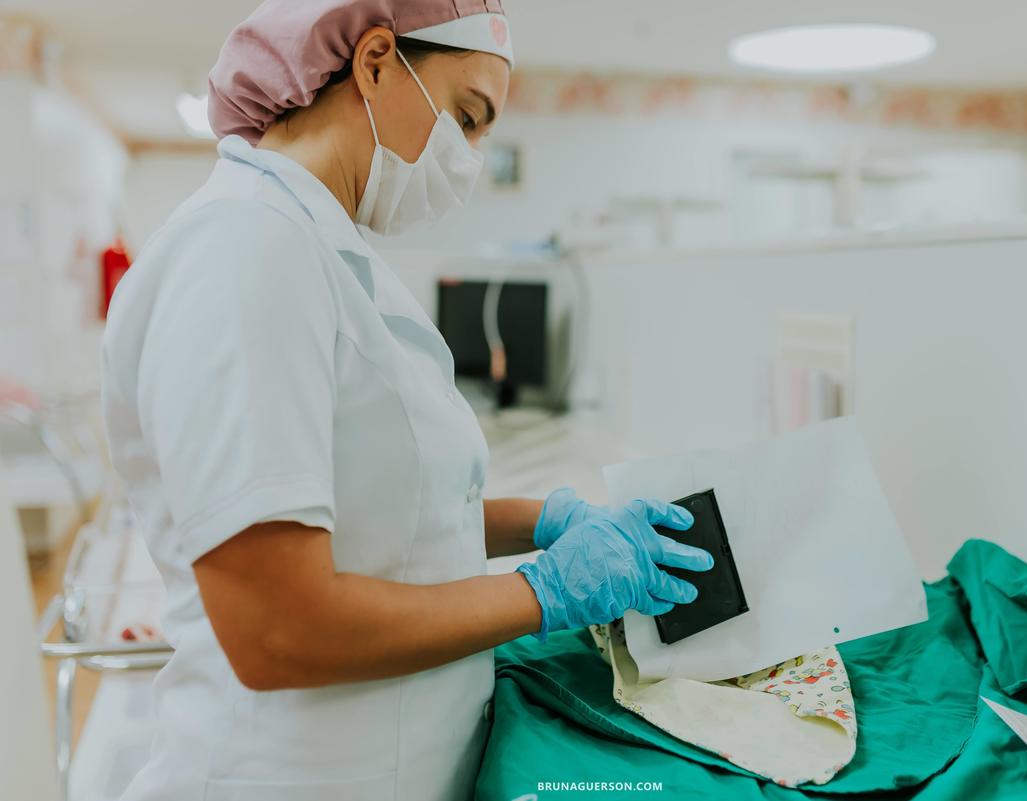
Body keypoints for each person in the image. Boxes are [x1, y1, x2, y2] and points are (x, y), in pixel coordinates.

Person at [99, 2, 714, 799]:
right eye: (467, 116)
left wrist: (549, 519)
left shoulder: (323, 247)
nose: (474, 158)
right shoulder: (244, 249)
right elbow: (277, 627)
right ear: (378, 62)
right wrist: (544, 591)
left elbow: (380, 504)